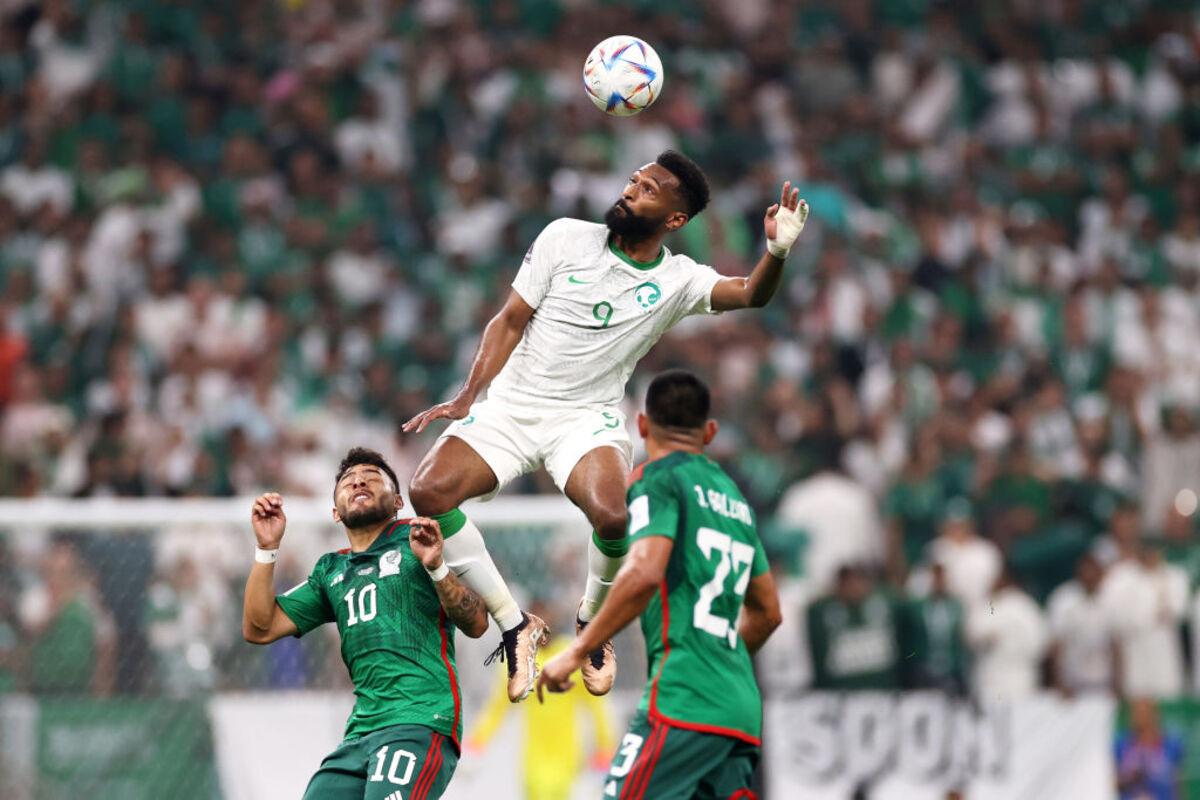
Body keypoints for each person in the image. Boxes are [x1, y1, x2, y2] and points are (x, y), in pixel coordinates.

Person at [402, 150, 807, 701]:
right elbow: (510, 319)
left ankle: (593, 627)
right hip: (513, 405)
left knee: (615, 516)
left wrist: (777, 251)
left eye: (648, 189)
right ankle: (514, 623)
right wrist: (468, 396)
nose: (630, 189)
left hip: (585, 419)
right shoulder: (564, 236)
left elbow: (751, 293)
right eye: (633, 180)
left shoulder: (679, 279)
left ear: (675, 219)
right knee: (427, 490)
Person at [536, 370, 782, 799]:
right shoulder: (735, 502)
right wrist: (720, 660)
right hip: (740, 705)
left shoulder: (657, 479)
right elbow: (768, 612)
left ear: (643, 426)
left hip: (683, 698)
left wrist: (578, 651)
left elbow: (645, 572)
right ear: (709, 431)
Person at [242, 447, 489, 800]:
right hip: (360, 734)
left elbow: (477, 622)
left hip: (417, 721)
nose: (358, 480)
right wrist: (266, 548)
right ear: (335, 513)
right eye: (347, 480)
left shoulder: (418, 541)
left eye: (372, 477)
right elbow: (259, 627)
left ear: (399, 501)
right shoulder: (330, 571)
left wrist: (437, 568)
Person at [465, 603, 616, 800]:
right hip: (533, 758)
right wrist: (477, 742)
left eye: (547, 615)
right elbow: (497, 708)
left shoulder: (571, 657)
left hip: (567, 756)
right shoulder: (520, 662)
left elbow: (597, 707)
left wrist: (605, 748)